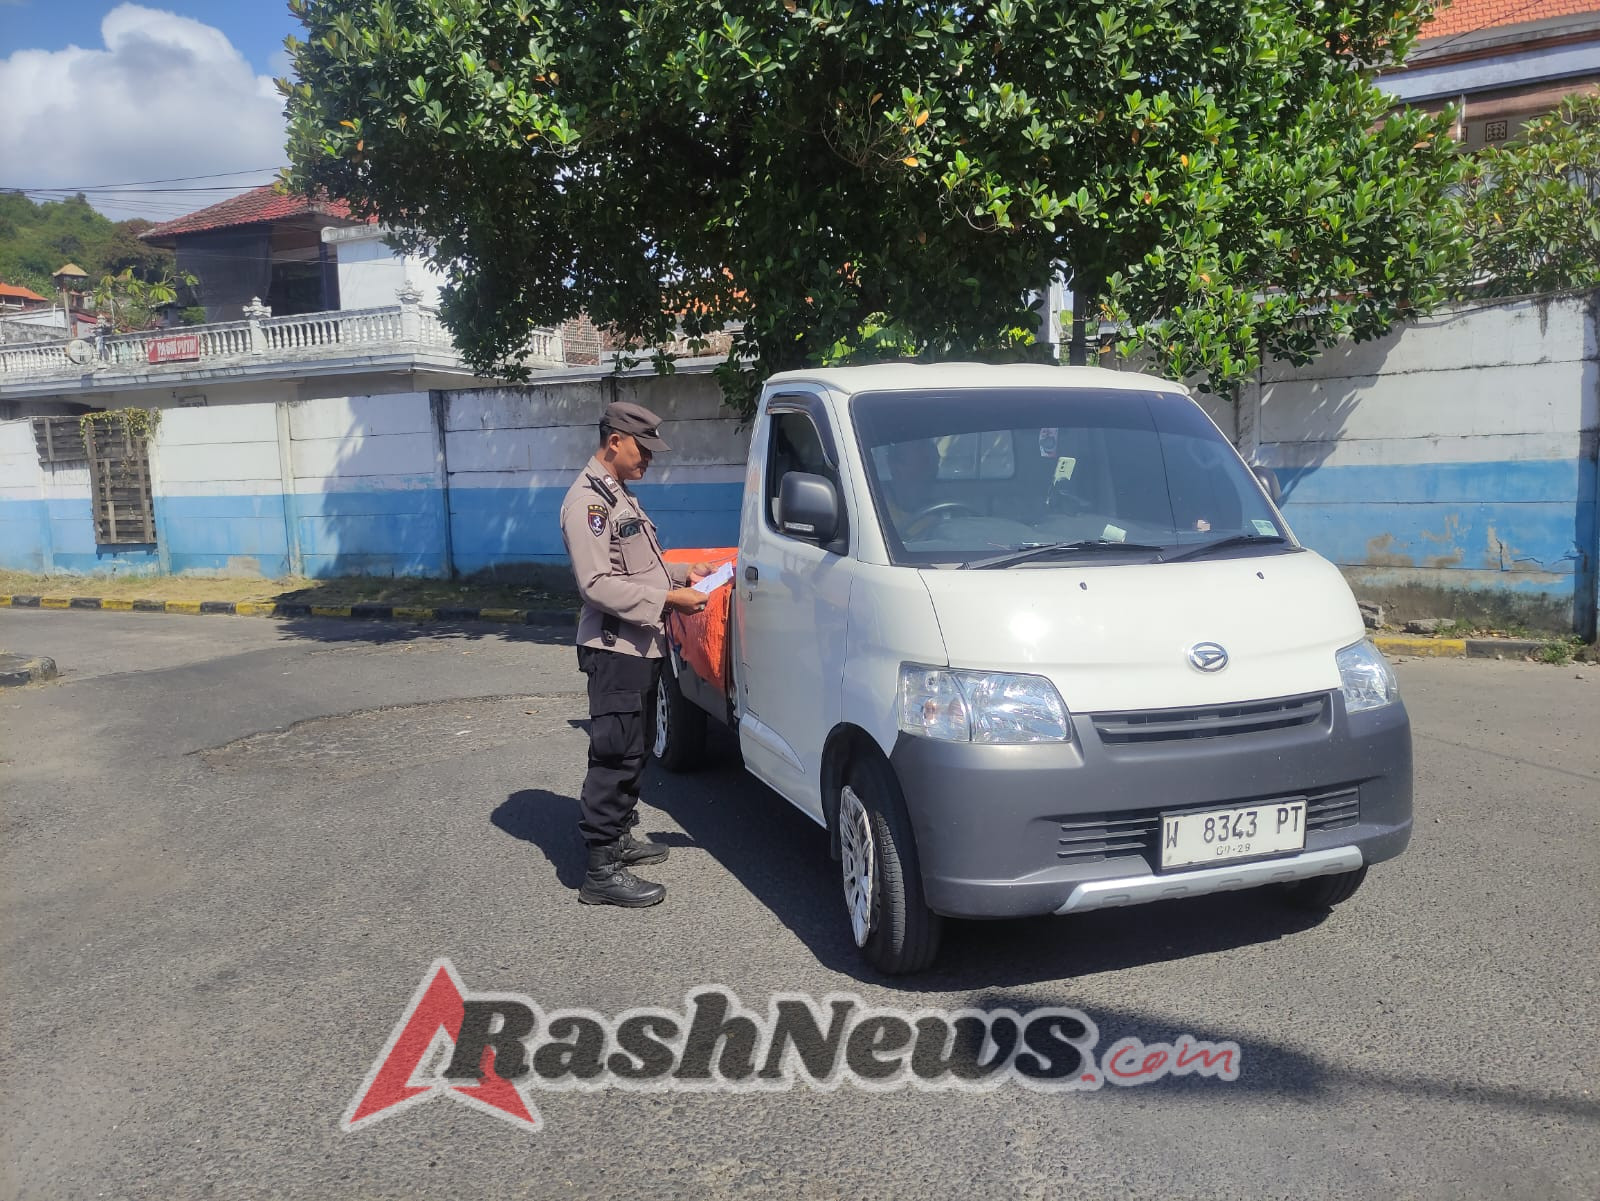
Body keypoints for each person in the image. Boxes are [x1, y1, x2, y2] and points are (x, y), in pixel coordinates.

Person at [559, 401, 710, 908]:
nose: (649, 459)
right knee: (615, 753)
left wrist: (681, 574)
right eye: (643, 449)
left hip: (640, 645)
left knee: (638, 745)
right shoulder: (588, 503)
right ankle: (601, 870)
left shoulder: (618, 495)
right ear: (615, 441)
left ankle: (619, 836)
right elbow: (597, 584)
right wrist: (669, 599)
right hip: (614, 648)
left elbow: (639, 567)